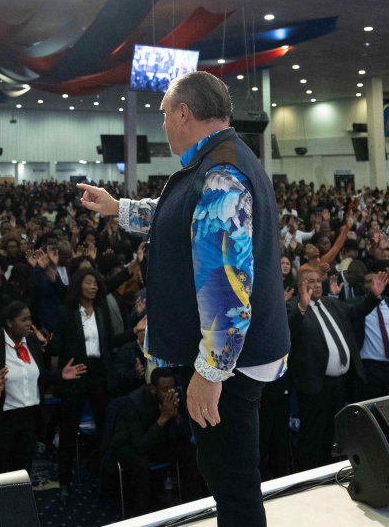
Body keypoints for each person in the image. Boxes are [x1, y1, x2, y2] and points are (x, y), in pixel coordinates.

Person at [78, 71, 288, 527]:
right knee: (228, 475)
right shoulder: (218, 161)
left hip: (230, 364)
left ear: (184, 113)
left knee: (231, 481)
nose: (163, 123)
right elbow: (182, 216)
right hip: (237, 357)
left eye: (164, 114)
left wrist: (211, 372)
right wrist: (119, 208)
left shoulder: (221, 175)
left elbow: (226, 287)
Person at [0, 301, 81, 477]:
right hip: (1, 422)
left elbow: (36, 376)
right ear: (9, 322)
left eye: (30, 319)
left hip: (29, 420)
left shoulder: (31, 342)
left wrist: (60, 375)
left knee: (22, 475)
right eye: (23, 320)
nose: (29, 324)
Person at [51, 267, 124, 497]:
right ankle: (64, 480)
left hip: (99, 374)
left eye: (96, 283)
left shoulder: (101, 310)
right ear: (78, 285)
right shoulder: (65, 312)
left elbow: (110, 342)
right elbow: (57, 346)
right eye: (89, 282)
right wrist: (44, 342)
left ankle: (106, 478)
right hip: (75, 374)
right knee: (68, 430)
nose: (93, 287)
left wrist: (134, 331)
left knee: (104, 428)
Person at [287, 265, 358, 468]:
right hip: (314, 385)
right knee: (313, 437)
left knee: (335, 434)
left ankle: (333, 472)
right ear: (300, 285)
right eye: (311, 281)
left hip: (338, 383)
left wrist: (374, 297)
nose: (317, 285)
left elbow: (355, 312)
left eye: (319, 281)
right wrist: (302, 307)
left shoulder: (329, 302)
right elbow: (289, 331)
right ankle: (310, 478)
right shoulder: (292, 307)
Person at [107, 368, 200, 516]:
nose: (170, 392)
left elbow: (185, 436)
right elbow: (139, 446)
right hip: (128, 444)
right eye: (164, 389)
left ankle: (192, 507)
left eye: (172, 387)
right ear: (153, 389)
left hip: (156, 439)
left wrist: (176, 417)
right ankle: (140, 515)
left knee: (190, 450)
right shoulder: (135, 401)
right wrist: (163, 418)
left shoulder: (177, 396)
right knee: (141, 464)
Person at [350, 270, 389, 400]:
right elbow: (355, 313)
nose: (374, 284)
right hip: (369, 368)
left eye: (377, 280)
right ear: (363, 286)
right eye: (369, 281)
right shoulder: (353, 305)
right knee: (370, 408)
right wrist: (373, 297)